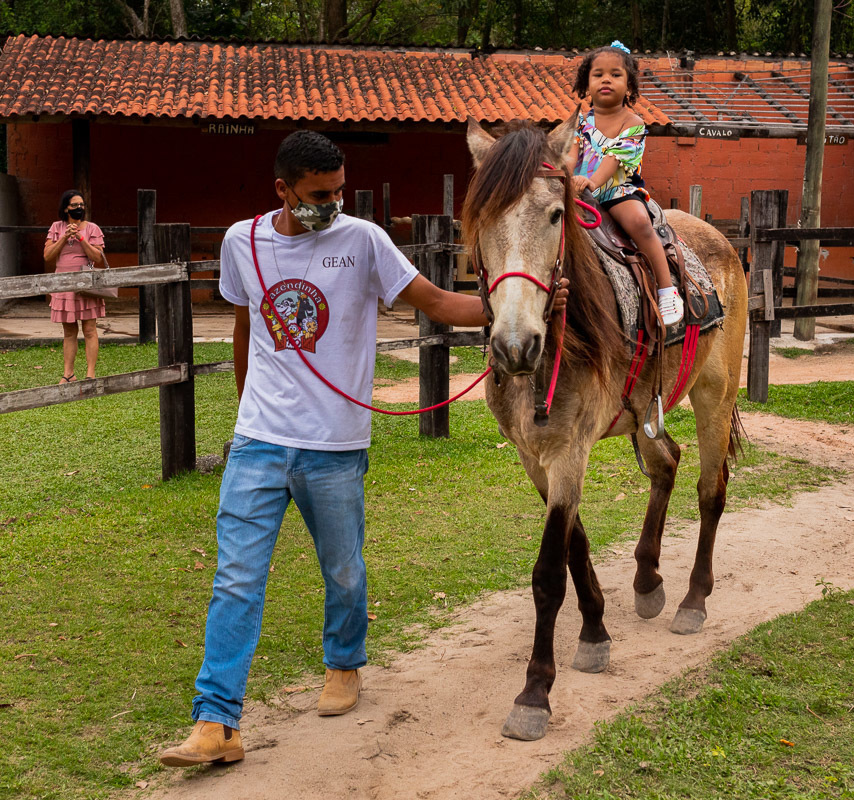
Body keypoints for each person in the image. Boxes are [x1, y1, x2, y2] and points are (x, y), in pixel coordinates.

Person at [158, 130, 566, 768]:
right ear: (282, 190)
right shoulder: (245, 243)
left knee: (344, 573)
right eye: (320, 194)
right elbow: (246, 329)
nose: (334, 202)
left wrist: (518, 309)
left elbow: (434, 302)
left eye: (340, 190)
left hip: (335, 446)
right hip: (259, 445)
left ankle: (344, 662)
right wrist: (247, 416)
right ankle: (216, 721)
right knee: (236, 580)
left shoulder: (363, 241)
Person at [567, 41, 684, 327]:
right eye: (598, 74)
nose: (606, 79)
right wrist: (566, 178)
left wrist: (590, 181)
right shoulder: (580, 123)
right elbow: (570, 156)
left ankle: (666, 289)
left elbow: (612, 160)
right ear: (587, 84)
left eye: (616, 74)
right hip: (579, 191)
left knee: (639, 222)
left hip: (616, 191)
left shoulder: (634, 123)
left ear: (629, 86)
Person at [43, 190, 107, 384]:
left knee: (89, 330)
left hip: (86, 282)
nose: (79, 208)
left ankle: (90, 374)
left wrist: (80, 238)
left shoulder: (92, 228)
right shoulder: (56, 227)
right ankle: (68, 373)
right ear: (65, 208)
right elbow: (47, 256)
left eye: (82, 205)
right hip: (63, 284)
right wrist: (64, 237)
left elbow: (98, 257)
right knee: (69, 332)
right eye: (74, 205)